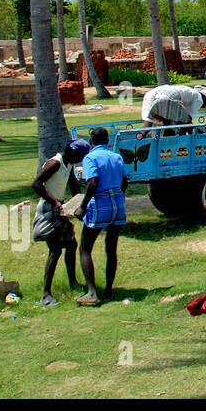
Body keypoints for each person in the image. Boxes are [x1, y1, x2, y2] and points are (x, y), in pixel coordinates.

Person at [31, 138, 90, 306]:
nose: (79, 160)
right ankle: (45, 294)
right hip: (49, 209)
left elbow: (73, 184)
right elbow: (36, 184)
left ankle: (73, 282)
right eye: (79, 156)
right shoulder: (55, 163)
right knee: (55, 251)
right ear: (71, 152)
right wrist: (55, 202)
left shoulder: (68, 163)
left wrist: (79, 203)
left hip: (59, 208)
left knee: (71, 245)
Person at [73, 127, 127, 305]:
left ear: (91, 142)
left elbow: (92, 183)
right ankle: (109, 292)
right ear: (107, 141)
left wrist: (82, 207)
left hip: (100, 203)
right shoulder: (116, 156)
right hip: (117, 204)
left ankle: (91, 292)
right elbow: (124, 182)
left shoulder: (90, 158)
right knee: (111, 249)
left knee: (85, 249)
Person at [139, 83, 206, 127]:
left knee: (149, 124)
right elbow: (188, 118)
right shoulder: (199, 98)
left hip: (152, 96)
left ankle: (140, 137)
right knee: (173, 124)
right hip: (167, 99)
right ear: (205, 100)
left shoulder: (188, 91)